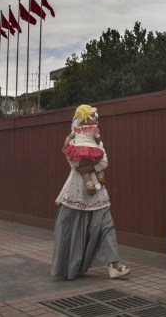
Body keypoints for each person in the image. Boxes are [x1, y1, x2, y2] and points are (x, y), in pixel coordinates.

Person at [51, 106, 130, 281]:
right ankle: (69, 267)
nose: (95, 120)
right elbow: (74, 163)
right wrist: (89, 165)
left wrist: (88, 166)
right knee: (71, 227)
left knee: (106, 225)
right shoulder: (72, 142)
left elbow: (104, 163)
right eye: (93, 117)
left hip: (96, 191)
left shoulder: (97, 142)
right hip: (75, 191)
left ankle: (114, 264)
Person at [63, 105, 106, 195]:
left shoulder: (76, 131)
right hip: (92, 152)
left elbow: (69, 138)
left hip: (80, 156)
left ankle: (90, 185)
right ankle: (100, 176)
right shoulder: (94, 129)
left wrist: (65, 145)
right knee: (99, 158)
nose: (96, 120)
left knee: (83, 169)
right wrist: (97, 142)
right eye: (94, 117)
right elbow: (98, 140)